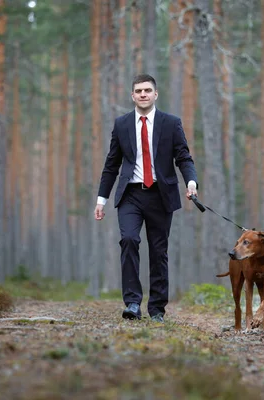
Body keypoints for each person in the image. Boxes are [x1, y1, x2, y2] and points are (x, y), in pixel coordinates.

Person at [94, 74, 198, 323]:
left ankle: (157, 309)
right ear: (132, 96)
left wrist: (191, 182)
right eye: (138, 91)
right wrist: (101, 199)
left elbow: (183, 157)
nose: (143, 94)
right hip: (130, 194)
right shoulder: (121, 125)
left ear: (155, 94)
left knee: (158, 251)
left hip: (161, 195)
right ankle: (132, 302)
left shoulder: (171, 123)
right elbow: (112, 164)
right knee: (129, 239)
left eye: (147, 90)